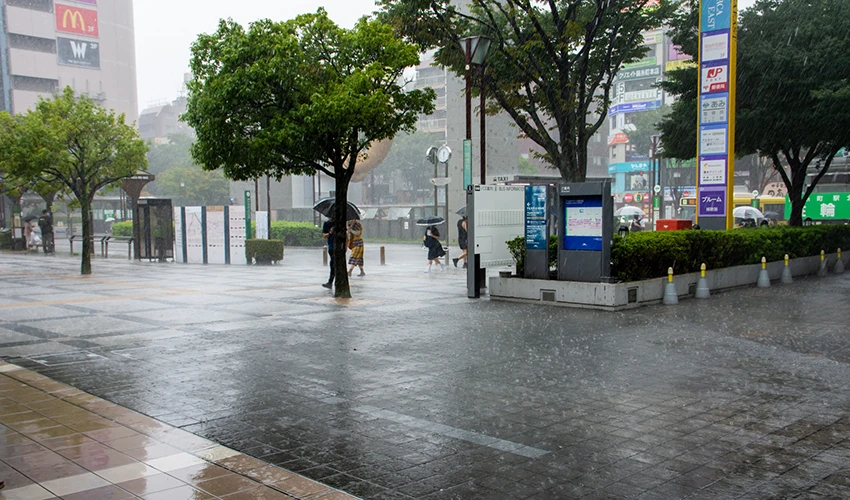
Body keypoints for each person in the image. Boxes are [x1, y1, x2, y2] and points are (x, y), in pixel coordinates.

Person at [321, 216, 335, 289]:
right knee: (333, 264)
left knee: (337, 265)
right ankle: (330, 282)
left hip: (339, 247)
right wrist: (330, 233)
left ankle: (332, 282)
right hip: (331, 246)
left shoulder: (339, 223)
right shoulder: (326, 223)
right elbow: (324, 235)